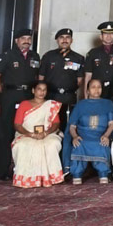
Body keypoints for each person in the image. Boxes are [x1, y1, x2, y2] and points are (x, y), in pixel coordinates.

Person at [0, 28, 41, 181]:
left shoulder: (35, 56)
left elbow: (38, 77)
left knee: (27, 131)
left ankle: (25, 168)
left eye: (28, 38)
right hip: (10, 96)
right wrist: (5, 93)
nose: (27, 41)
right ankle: (4, 171)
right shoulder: (8, 55)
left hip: (28, 97)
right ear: (16, 40)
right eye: (23, 38)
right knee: (6, 134)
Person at [38, 28, 84, 163]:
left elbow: (80, 80)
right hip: (51, 98)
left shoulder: (78, 58)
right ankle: (48, 160)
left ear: (72, 40)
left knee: (67, 130)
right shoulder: (48, 56)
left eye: (67, 37)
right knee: (50, 128)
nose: (65, 40)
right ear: (57, 40)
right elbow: (41, 77)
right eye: (62, 37)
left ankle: (65, 162)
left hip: (68, 98)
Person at [10, 81, 64, 188]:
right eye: (39, 89)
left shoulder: (50, 105)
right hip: (26, 133)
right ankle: (26, 179)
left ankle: (49, 178)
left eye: (44, 90)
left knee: (52, 143)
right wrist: (30, 134)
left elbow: (56, 123)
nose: (42, 92)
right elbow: (17, 125)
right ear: (33, 91)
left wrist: (46, 133)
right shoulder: (24, 104)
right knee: (23, 145)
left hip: (47, 133)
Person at [67, 78, 113, 184]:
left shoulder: (107, 104)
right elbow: (72, 126)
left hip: (100, 135)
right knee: (78, 144)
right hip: (83, 136)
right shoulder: (81, 105)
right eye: (93, 87)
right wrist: (75, 136)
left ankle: (103, 174)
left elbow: (112, 123)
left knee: (102, 143)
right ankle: (77, 174)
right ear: (88, 90)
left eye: (99, 87)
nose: (96, 90)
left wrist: (106, 135)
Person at [84, 21, 113, 102]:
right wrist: (86, 97)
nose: (109, 36)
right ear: (101, 36)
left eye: (111, 34)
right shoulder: (92, 53)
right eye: (106, 34)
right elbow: (88, 76)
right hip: (96, 92)